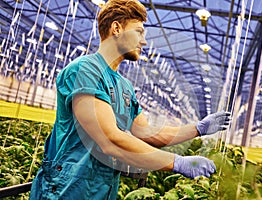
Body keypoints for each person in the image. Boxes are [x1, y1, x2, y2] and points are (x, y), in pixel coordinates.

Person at [29, 0, 230, 199]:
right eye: (139, 32)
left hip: (101, 189)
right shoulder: (84, 70)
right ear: (116, 28)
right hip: (67, 189)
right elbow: (109, 140)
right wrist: (177, 162)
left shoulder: (124, 86)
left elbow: (146, 133)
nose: (143, 41)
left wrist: (197, 129)